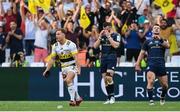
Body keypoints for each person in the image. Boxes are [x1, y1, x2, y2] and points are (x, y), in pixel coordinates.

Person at [43, 28, 82, 106]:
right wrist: (46, 69)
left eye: (58, 34)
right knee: (68, 83)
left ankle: (72, 100)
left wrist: (79, 69)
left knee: (68, 80)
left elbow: (76, 58)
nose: (56, 36)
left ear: (63, 35)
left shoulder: (71, 44)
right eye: (56, 34)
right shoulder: (55, 46)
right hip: (63, 67)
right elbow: (52, 59)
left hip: (72, 66)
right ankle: (78, 98)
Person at [135, 24, 170, 105]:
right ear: (152, 30)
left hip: (161, 64)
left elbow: (168, 46)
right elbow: (142, 53)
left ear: (159, 30)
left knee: (165, 86)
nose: (157, 29)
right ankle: (151, 101)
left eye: (158, 28)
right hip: (151, 63)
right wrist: (137, 64)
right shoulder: (147, 41)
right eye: (155, 28)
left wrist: (160, 39)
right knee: (151, 81)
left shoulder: (163, 40)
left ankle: (162, 96)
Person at [94, 22, 121, 104]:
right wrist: (99, 37)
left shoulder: (116, 35)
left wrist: (109, 36)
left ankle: (112, 97)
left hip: (112, 57)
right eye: (104, 28)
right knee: (105, 79)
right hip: (103, 58)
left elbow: (116, 45)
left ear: (110, 27)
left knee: (109, 77)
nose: (105, 29)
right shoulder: (102, 36)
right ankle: (108, 98)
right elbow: (95, 46)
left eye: (106, 28)